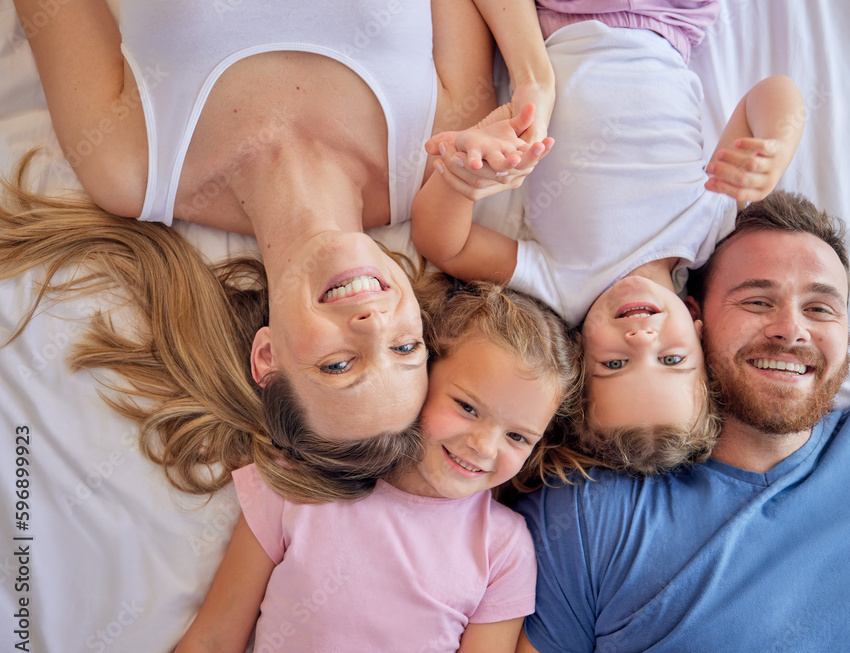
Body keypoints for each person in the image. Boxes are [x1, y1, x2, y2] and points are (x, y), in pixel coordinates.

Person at [9, 0, 555, 495]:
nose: (372, 324)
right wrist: (534, 79)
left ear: (267, 357)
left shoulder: (131, 169)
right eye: (405, 348)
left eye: (338, 364)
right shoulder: (442, 153)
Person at [511, 190, 850, 653]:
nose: (791, 329)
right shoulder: (586, 510)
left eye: (820, 309)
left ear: (847, 334)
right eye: (758, 303)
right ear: (693, 317)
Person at [410, 2, 803, 472]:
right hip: (670, 22)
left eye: (615, 365)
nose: (641, 339)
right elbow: (771, 92)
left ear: (580, 356)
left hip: (561, 19)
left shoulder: (566, 285)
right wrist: (776, 147)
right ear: (698, 329)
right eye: (672, 359)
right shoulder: (708, 231)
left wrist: (462, 178)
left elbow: (445, 246)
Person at [168, 273, 584, 653]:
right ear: (421, 372)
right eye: (468, 408)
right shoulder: (299, 481)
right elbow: (212, 643)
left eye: (517, 437)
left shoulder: (505, 550)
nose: (483, 446)